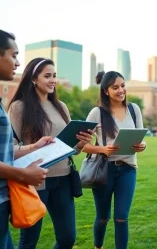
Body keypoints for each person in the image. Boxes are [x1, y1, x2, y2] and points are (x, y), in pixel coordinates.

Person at [8, 57, 92, 249]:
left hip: (63, 180)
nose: (53, 80)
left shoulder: (61, 106)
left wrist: (80, 143)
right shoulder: (19, 107)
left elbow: (70, 148)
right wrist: (35, 146)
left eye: (54, 75)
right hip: (35, 181)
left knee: (67, 238)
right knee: (29, 241)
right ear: (33, 79)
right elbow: (9, 150)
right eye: (47, 76)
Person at [82, 71, 146, 249]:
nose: (121, 90)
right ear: (106, 91)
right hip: (104, 170)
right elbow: (81, 145)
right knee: (103, 217)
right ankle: (98, 246)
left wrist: (143, 145)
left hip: (127, 169)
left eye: (123, 86)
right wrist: (102, 149)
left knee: (121, 217)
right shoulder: (97, 113)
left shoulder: (134, 109)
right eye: (115, 87)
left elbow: (140, 136)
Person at [0, 30, 50, 249]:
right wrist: (23, 174)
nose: (18, 63)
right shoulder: (18, 106)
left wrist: (33, 147)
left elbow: (4, 151)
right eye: (13, 55)